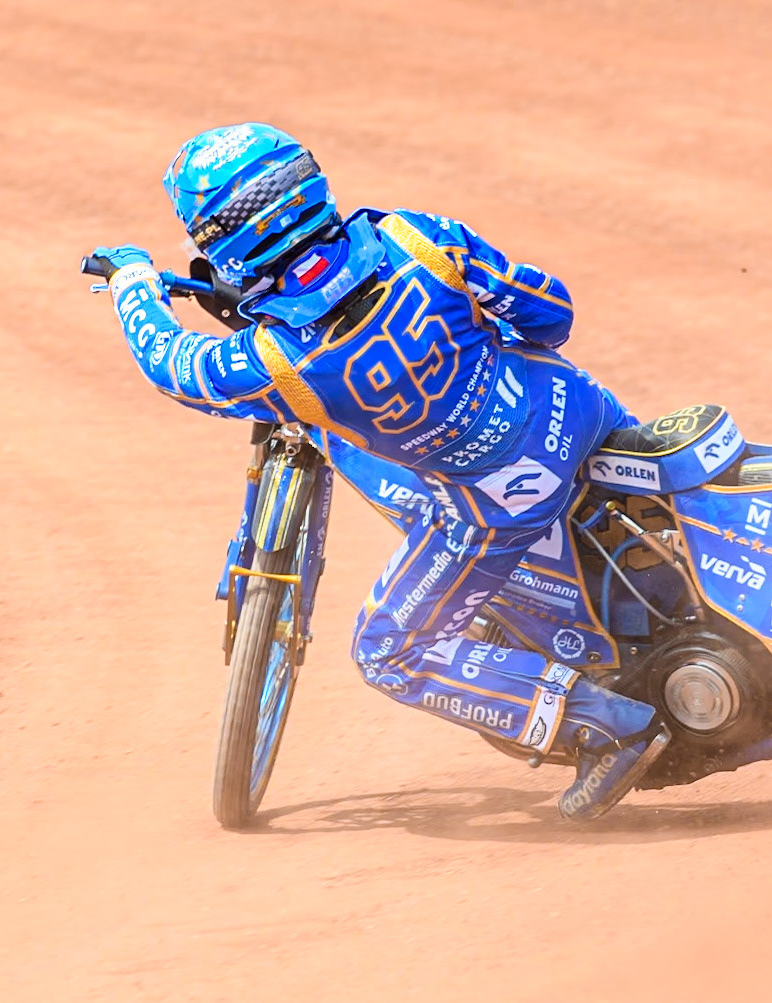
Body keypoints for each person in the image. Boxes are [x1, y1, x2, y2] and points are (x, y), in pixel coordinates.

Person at [90, 122, 668, 820]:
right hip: (583, 411)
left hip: (499, 503)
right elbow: (550, 314)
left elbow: (172, 363)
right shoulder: (414, 236)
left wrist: (132, 283)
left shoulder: (280, 364)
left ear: (224, 240)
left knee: (388, 649)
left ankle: (608, 727)